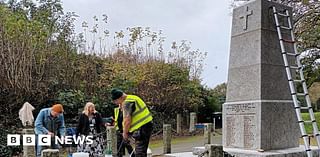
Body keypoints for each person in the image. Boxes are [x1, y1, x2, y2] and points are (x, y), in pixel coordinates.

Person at [111, 88, 153, 157]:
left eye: (116, 101)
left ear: (120, 97)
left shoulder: (127, 102)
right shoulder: (132, 98)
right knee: (140, 150)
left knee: (140, 151)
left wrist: (125, 133)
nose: (116, 103)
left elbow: (127, 120)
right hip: (144, 126)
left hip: (142, 127)